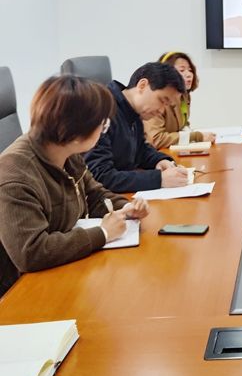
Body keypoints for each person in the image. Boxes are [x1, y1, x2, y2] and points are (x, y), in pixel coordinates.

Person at [0, 76, 150, 297]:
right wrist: (102, 233)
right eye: (103, 125)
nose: (103, 130)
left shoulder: (67, 151)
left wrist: (125, 208)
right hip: (18, 291)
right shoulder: (15, 175)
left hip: (59, 269)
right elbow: (31, 252)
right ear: (77, 131)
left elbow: (94, 194)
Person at [85, 62, 190, 193]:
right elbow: (100, 175)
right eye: (162, 100)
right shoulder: (102, 110)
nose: (162, 110)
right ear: (142, 85)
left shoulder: (133, 113)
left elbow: (140, 150)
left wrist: (160, 161)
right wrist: (159, 179)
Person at [143, 51, 216, 149]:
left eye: (190, 70)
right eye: (182, 70)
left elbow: (182, 125)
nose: (189, 74)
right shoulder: (155, 100)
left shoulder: (184, 96)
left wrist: (192, 135)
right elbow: (156, 139)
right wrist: (196, 137)